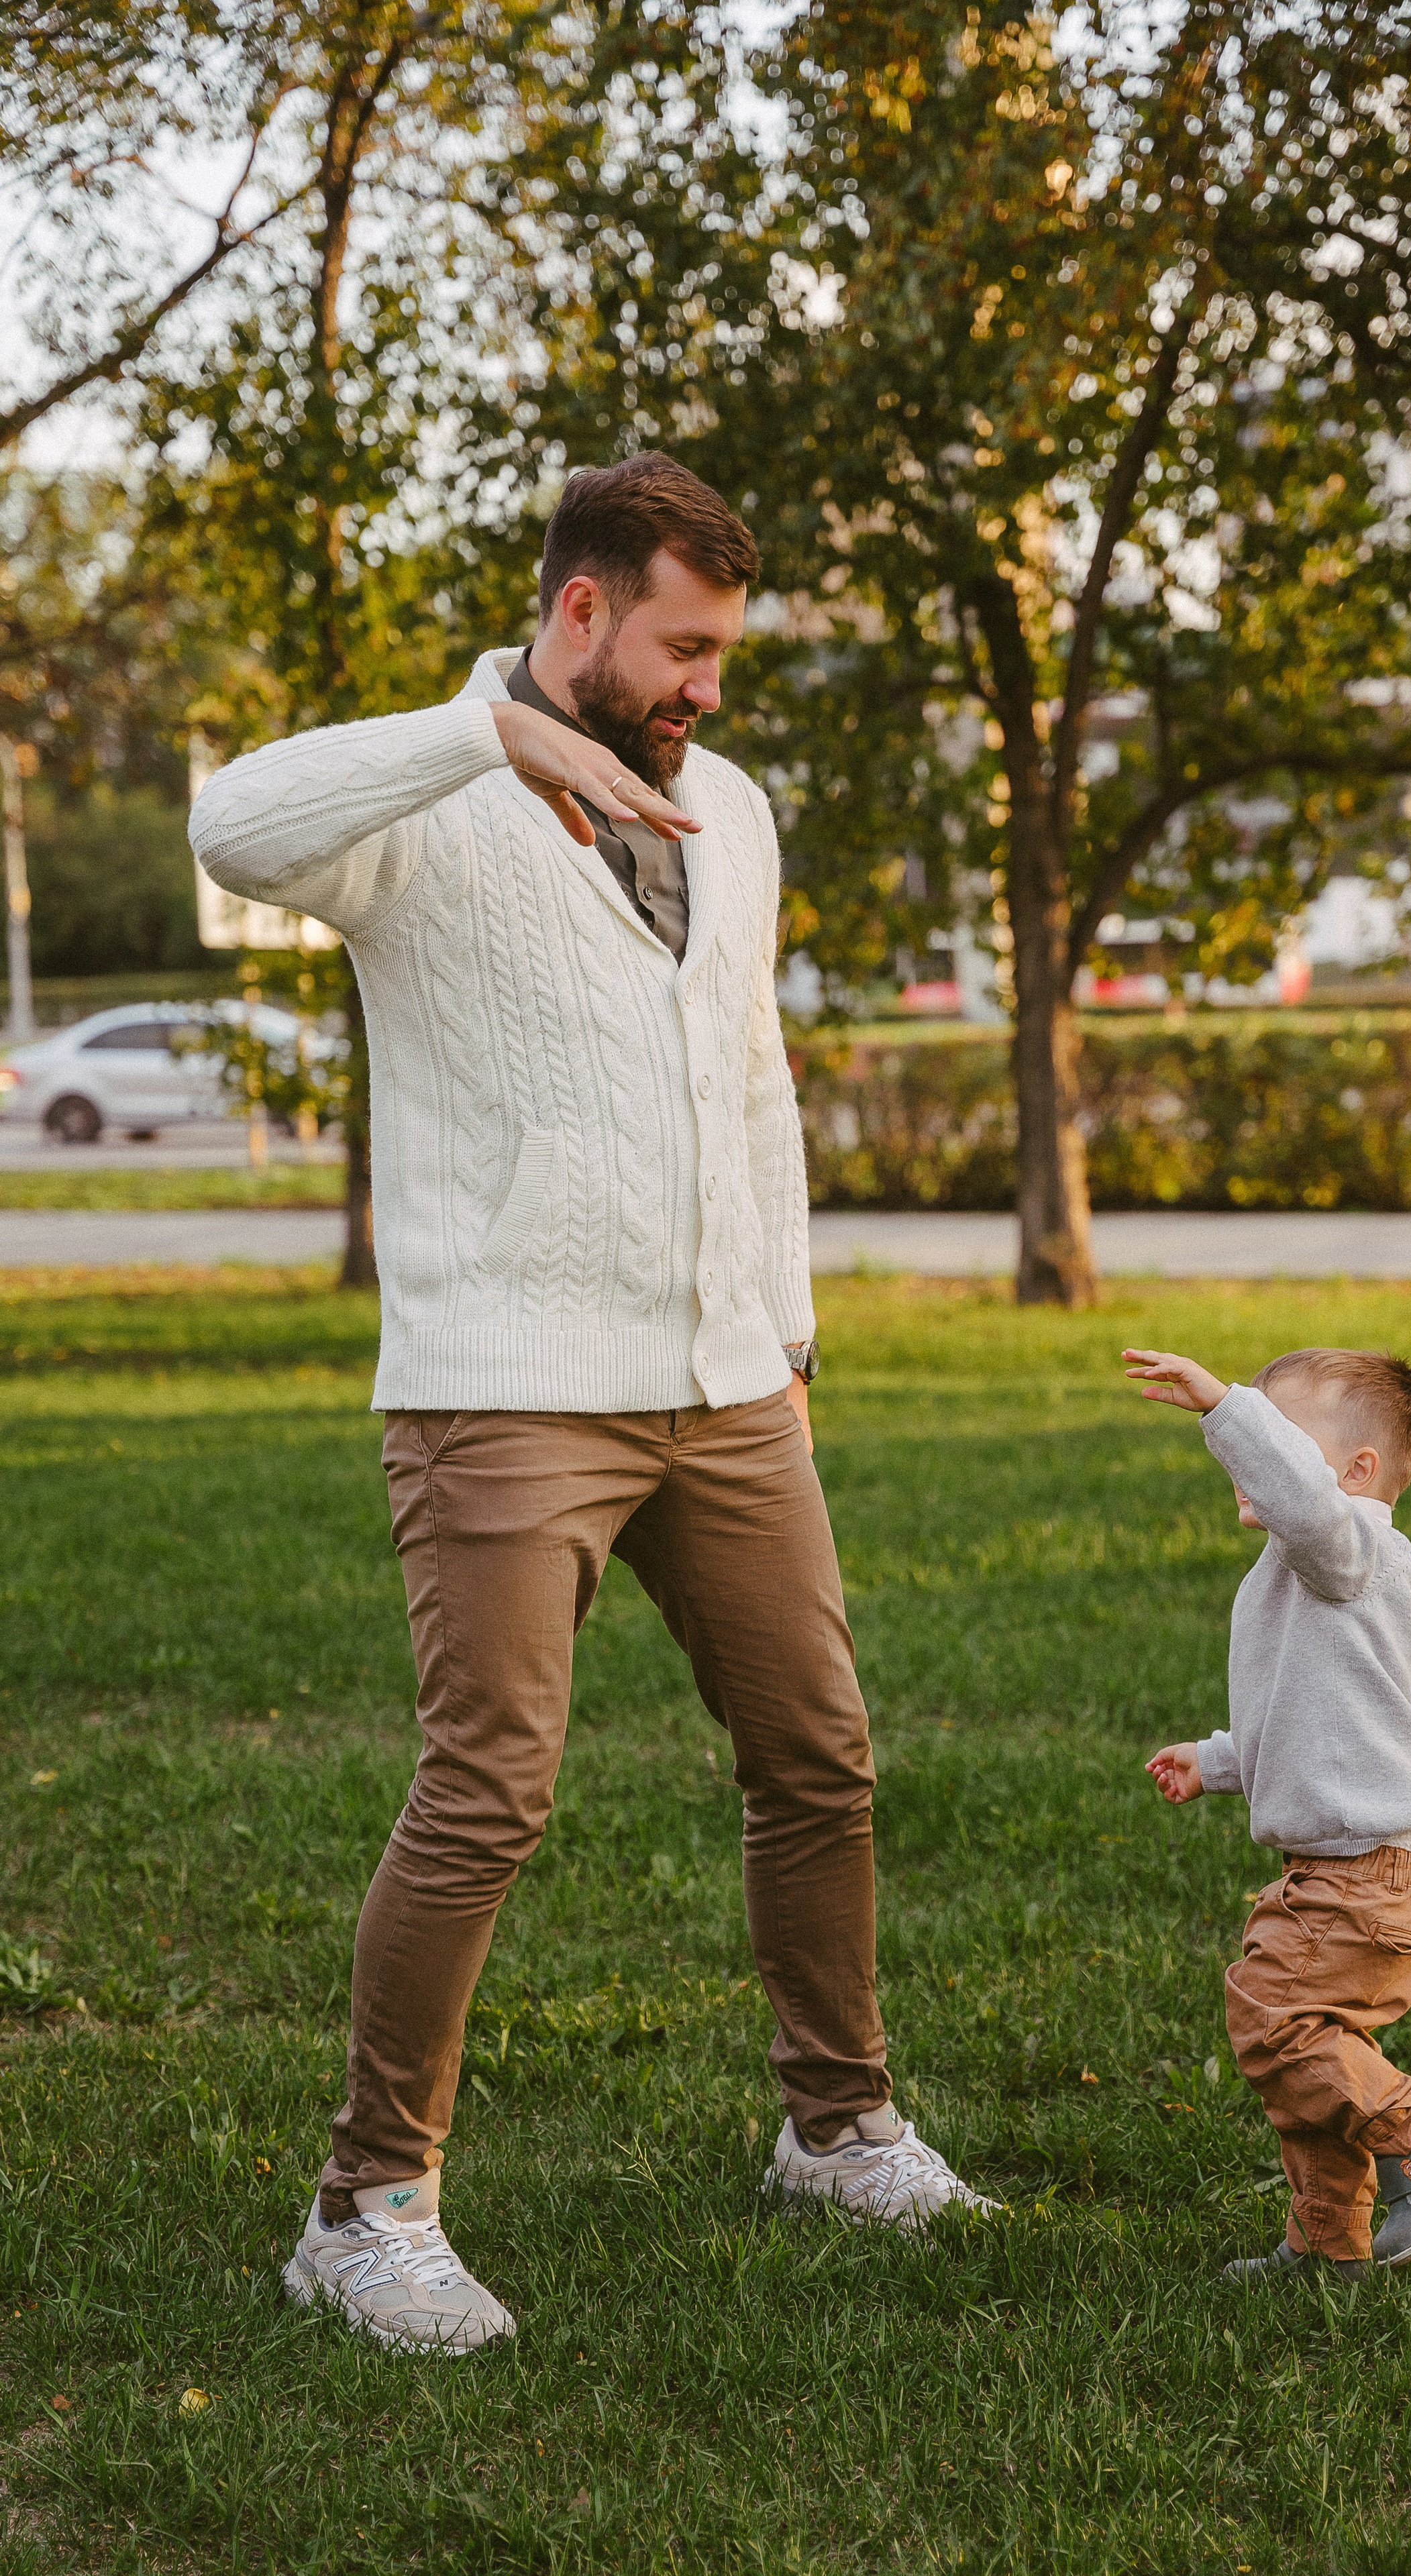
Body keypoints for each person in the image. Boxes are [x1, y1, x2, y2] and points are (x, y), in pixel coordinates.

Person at [190, 452, 993, 2356]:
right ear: (578, 612)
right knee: (488, 1791)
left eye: (722, 653)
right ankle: (366, 2211)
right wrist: (486, 736)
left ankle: (837, 2127)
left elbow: (752, 1082)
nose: (708, 684)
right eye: (683, 646)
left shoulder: (736, 805)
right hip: (507, 1391)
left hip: (727, 1385)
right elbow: (232, 824)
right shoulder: (427, 800)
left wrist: (788, 1335)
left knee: (820, 1756)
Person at [1125, 1341, 1411, 2281]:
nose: (1260, 1457)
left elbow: (1304, 1502)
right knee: (1315, 2056)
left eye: (1281, 1437)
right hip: (1344, 1870)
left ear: (1357, 1474)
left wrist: (1225, 1407)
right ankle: (1328, 2244)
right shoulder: (1305, 1569)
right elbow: (1310, 1716)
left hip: (1368, 1876)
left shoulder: (1356, 1547)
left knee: (1272, 2020)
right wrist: (1218, 1760)